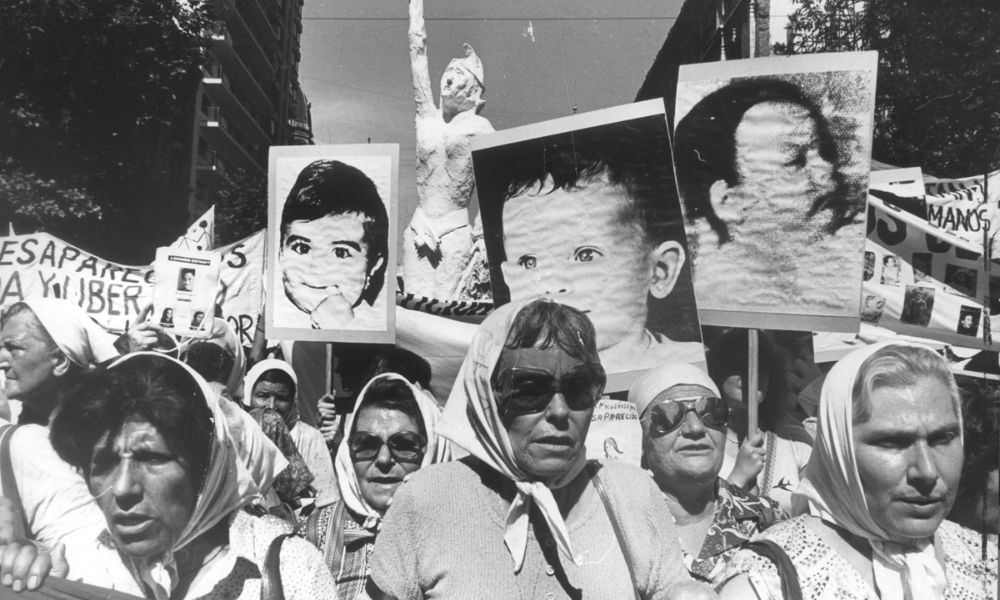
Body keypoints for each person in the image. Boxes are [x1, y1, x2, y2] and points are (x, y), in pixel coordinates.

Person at [367, 299, 705, 598]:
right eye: (529, 387)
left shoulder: (631, 493)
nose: (559, 411)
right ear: (487, 395)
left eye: (579, 387)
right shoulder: (428, 499)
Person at [12, 352, 338, 599]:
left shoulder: (285, 568)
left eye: (152, 458)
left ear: (206, 468)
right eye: (104, 463)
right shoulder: (81, 563)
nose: (122, 487)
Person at [719, 343, 998, 600]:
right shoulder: (767, 583)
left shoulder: (984, 559)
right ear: (839, 451)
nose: (927, 471)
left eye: (943, 438)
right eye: (892, 442)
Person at [477, 114, 703, 374]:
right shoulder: (506, 376)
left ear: (660, 271)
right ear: (508, 278)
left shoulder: (688, 365)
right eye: (529, 262)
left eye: (585, 255)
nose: (552, 284)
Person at [673, 78, 863, 311]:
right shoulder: (721, 309)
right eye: (796, 160)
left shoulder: (811, 294)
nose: (827, 170)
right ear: (728, 202)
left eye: (824, 150)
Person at [631, 363, 787, 586]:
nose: (695, 428)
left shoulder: (767, 518)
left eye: (711, 412)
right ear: (641, 438)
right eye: (669, 415)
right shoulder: (622, 530)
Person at [301, 372, 448, 600]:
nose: (383, 459)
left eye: (404, 444)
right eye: (366, 444)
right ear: (348, 451)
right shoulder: (313, 536)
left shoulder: (460, 533)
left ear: (431, 449)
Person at [0, 299, 114, 584]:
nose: (2, 360)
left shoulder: (112, 437)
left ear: (61, 361)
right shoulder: (20, 437)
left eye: (14, 348)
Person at [403, 0, 496, 300]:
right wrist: (415, 11)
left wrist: (481, 237)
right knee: (414, 315)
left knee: (447, 312)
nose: (449, 75)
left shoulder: (481, 128)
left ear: (473, 90)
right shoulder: (426, 117)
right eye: (448, 70)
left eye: (458, 73)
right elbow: (418, 55)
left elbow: (495, 186)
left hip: (454, 235)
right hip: (418, 229)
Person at [706, 329, 812, 513]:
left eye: (762, 366)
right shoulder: (701, 443)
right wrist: (738, 476)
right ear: (717, 372)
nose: (751, 372)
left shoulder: (796, 439)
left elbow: (818, 511)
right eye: (738, 364)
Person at [277, 159, 389, 330]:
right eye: (302, 248)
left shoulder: (380, 328)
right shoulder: (277, 314)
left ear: (373, 266)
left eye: (341, 252)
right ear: (280, 252)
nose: (317, 268)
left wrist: (347, 328)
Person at [244, 359, 338, 508]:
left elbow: (327, 498)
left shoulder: (309, 437)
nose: (272, 406)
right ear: (249, 397)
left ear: (292, 401)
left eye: (281, 398)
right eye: (263, 396)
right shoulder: (239, 434)